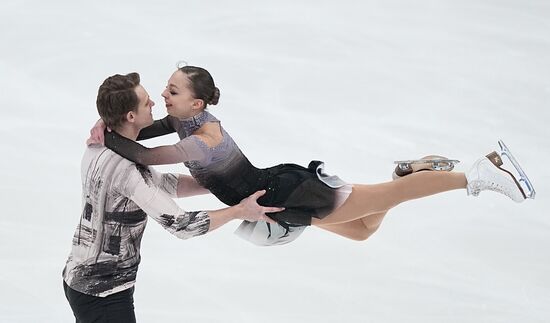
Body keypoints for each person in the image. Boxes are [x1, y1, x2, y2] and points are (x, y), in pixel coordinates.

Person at [88, 65, 532, 246]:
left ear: (197, 103)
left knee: (381, 199)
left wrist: (104, 137)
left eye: (172, 91)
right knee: (361, 232)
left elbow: (146, 156)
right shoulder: (182, 120)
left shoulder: (201, 138)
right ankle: (406, 173)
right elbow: (141, 128)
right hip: (272, 201)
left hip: (284, 190)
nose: (163, 96)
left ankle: (479, 173)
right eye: (163, 90)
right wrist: (113, 121)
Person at [63, 72, 283, 323]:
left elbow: (160, 184)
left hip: (81, 276)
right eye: (146, 102)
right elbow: (183, 225)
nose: (155, 103)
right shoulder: (129, 171)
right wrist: (239, 211)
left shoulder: (100, 146)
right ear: (131, 116)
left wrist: (217, 183)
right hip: (102, 291)